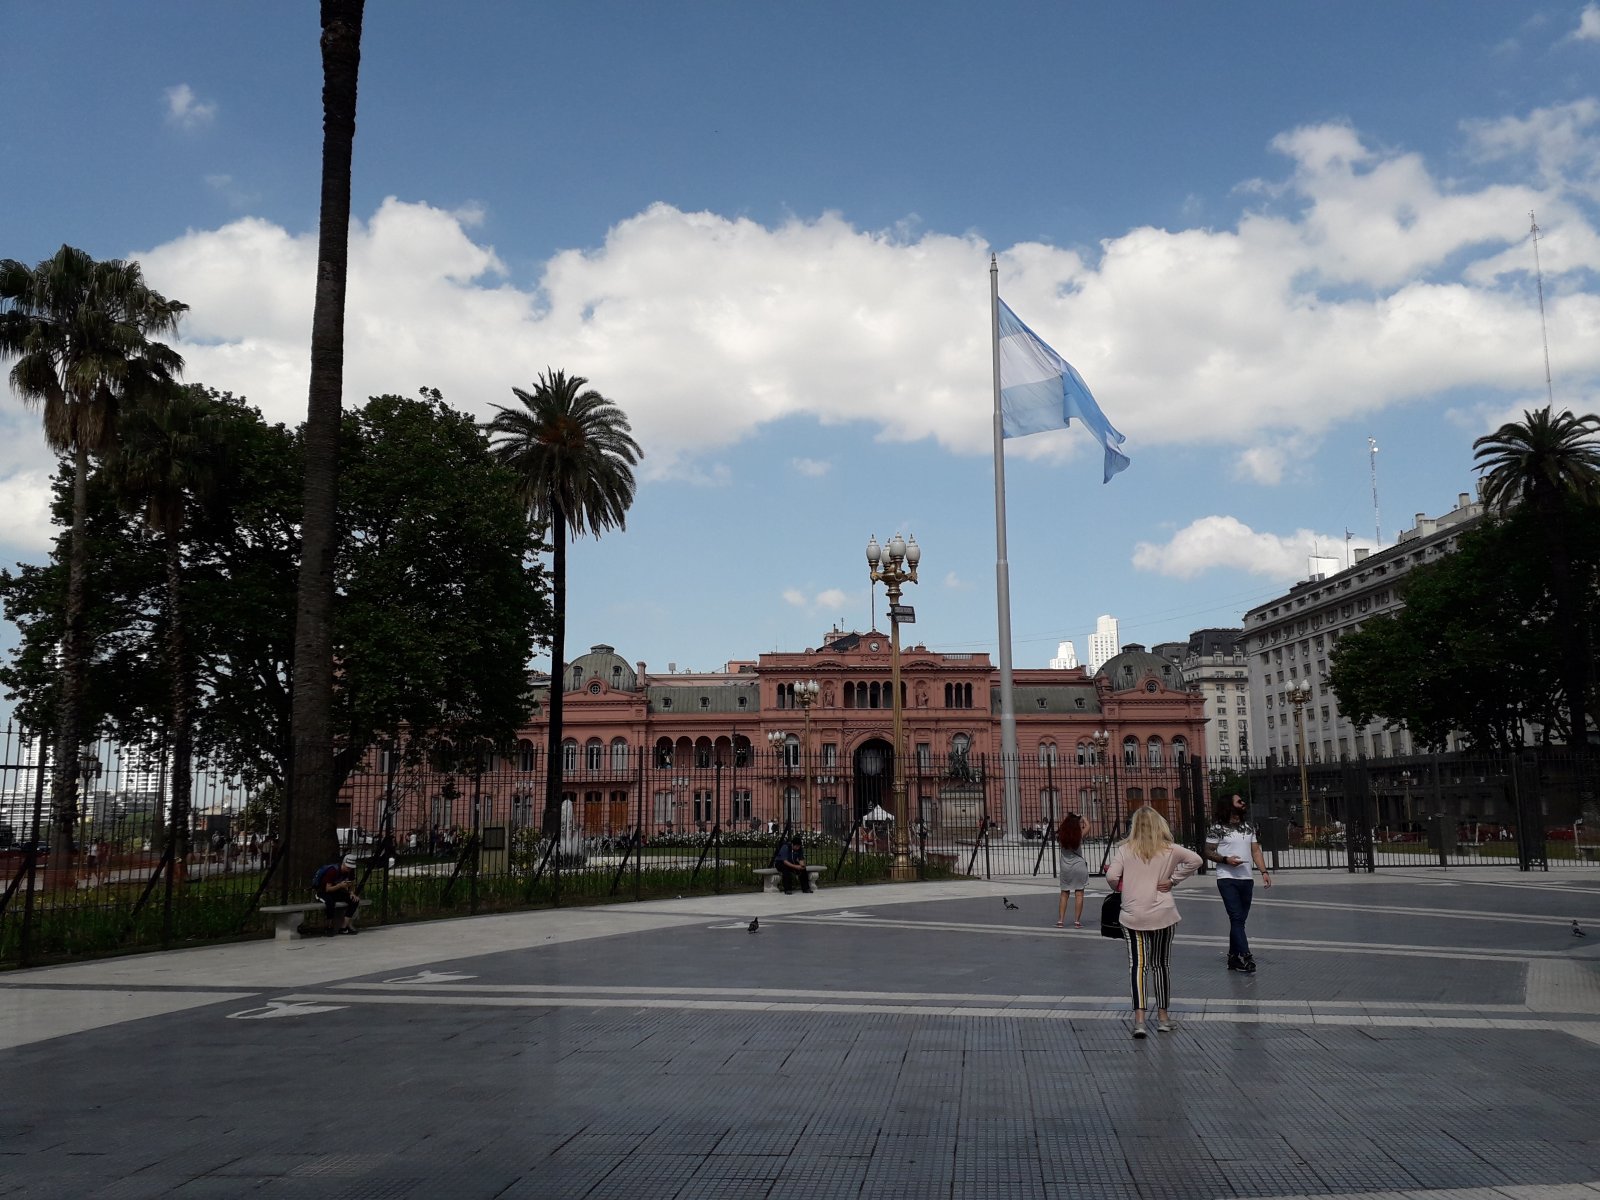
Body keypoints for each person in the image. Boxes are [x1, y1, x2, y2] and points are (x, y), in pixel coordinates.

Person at [1105, 805, 1201, 1039]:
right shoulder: (1170, 849)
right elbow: (1196, 860)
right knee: (1161, 964)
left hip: (1132, 914)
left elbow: (1111, 876)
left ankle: (1139, 1020)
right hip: (1163, 912)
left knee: (1137, 965)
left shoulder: (1125, 850)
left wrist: (1121, 888)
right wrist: (1174, 880)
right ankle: (1163, 1017)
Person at [1205, 792, 1272, 972]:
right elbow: (1209, 852)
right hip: (1227, 879)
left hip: (1246, 879)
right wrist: (1226, 860)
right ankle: (1246, 955)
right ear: (1230, 805)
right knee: (1235, 917)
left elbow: (1256, 851)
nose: (1243, 803)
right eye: (1239, 801)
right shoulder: (1217, 828)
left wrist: (1264, 871)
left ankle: (1233, 957)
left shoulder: (1248, 827)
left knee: (1239, 921)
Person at [1054, 813, 1089, 928]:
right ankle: (1077, 922)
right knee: (1079, 894)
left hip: (1066, 867)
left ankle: (1060, 920)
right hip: (1079, 866)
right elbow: (1088, 826)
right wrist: (1083, 818)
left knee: (1064, 894)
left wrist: (1069, 819)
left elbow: (1062, 828)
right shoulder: (1079, 835)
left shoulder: (1061, 837)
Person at [312, 854, 361, 935]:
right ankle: (328, 927)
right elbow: (328, 889)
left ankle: (344, 927)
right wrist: (340, 885)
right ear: (343, 863)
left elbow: (351, 883)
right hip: (323, 892)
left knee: (354, 901)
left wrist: (352, 893)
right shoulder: (332, 871)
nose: (349, 869)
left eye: (351, 868)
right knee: (330, 903)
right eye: (347, 867)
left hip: (337, 891)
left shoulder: (350, 871)